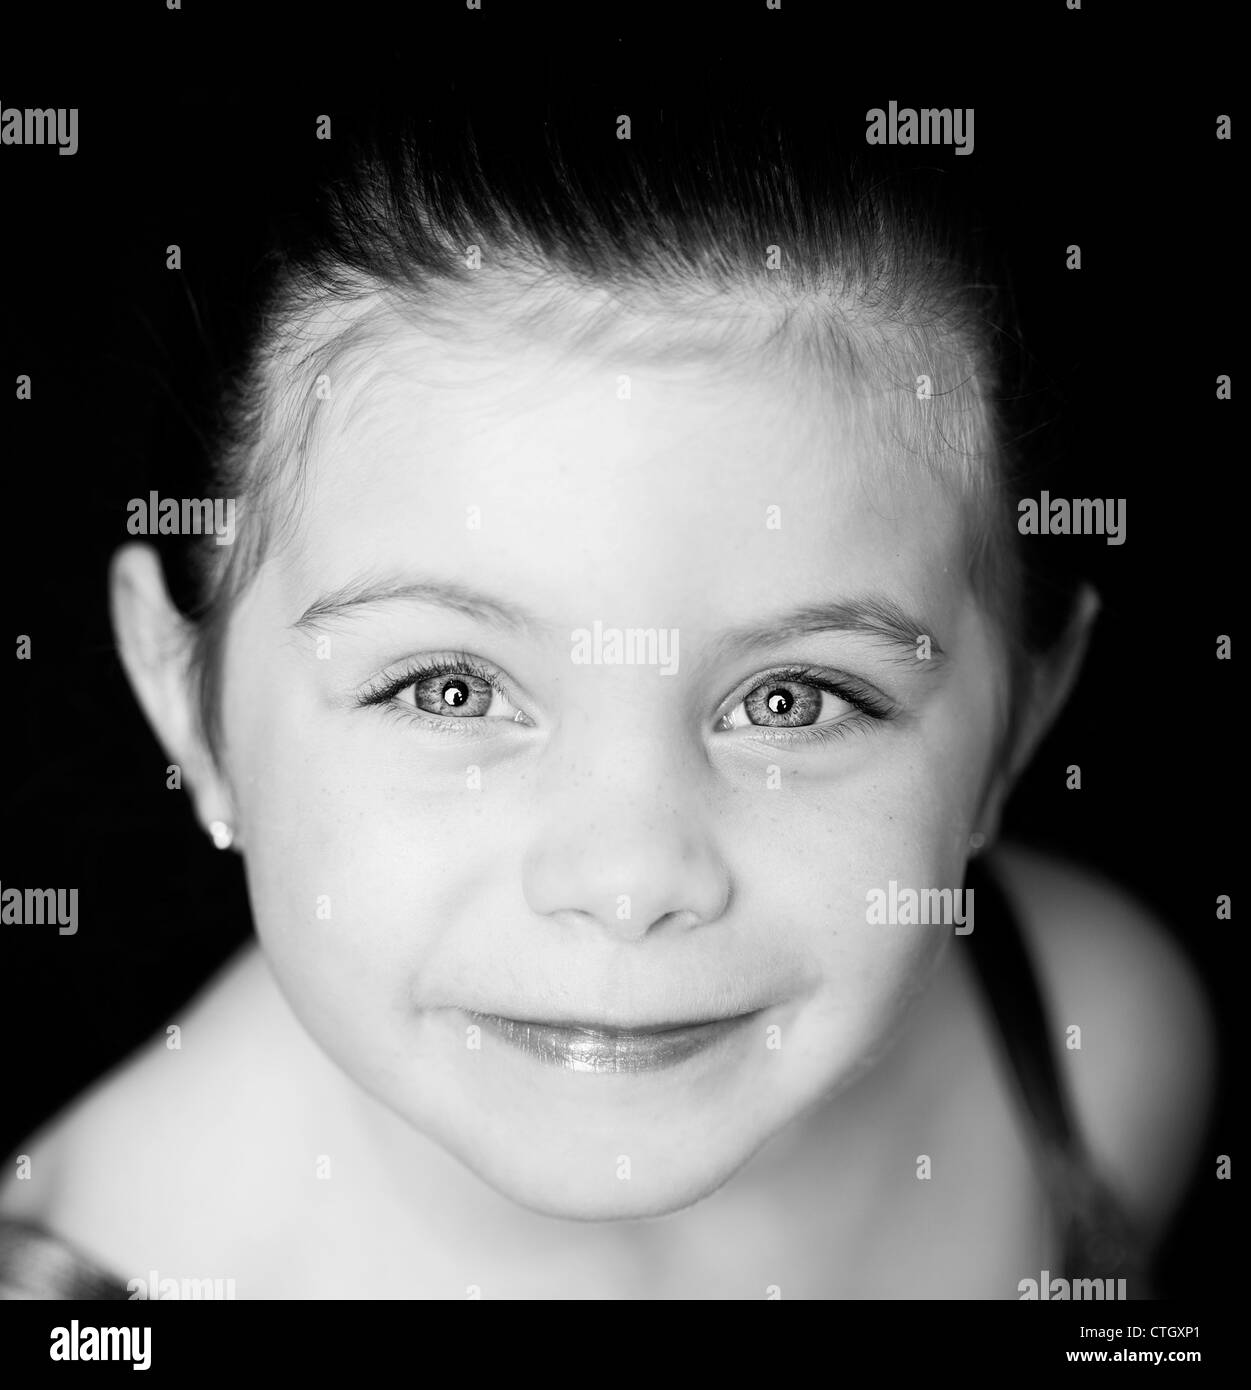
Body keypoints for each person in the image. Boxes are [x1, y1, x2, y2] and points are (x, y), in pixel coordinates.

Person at [0, 107, 1214, 1299]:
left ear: (1021, 722)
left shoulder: (1099, 1045)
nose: (630, 880)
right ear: (185, 702)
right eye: (450, 686)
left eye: (793, 699)